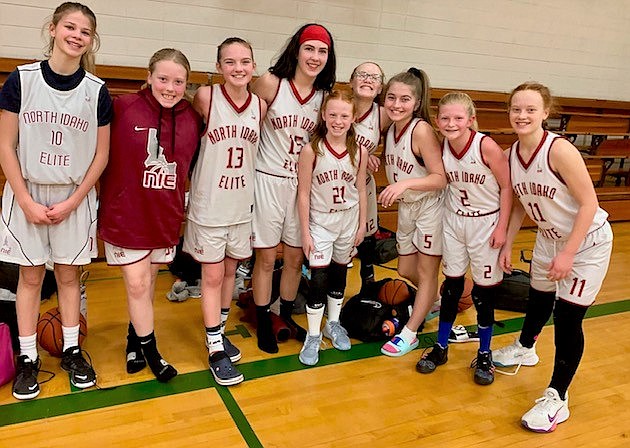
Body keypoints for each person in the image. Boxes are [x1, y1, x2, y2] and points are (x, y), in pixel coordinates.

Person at [0, 2, 111, 399]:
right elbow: (5, 145)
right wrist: (26, 200)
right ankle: (28, 358)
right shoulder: (21, 79)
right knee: (30, 278)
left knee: (67, 276)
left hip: (73, 196)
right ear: (52, 29)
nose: (76, 35)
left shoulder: (96, 91)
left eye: (85, 31)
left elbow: (101, 156)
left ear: (91, 40)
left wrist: (74, 201)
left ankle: (71, 350)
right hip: (26, 192)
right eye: (70, 26)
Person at [496, 82, 612, 432]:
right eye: (516, 109)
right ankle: (525, 347)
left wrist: (569, 253)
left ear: (546, 112)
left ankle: (557, 397)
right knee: (538, 299)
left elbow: (590, 204)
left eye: (531, 109)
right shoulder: (510, 154)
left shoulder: (559, 151)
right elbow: (517, 202)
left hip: (586, 242)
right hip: (549, 238)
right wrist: (506, 243)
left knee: (567, 317)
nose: (522, 115)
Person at [98, 48, 202, 383]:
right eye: (163, 79)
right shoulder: (122, 107)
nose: (170, 87)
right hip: (126, 213)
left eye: (178, 81)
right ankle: (152, 351)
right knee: (138, 282)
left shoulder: (192, 117)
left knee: (150, 282)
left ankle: (134, 340)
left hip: (164, 214)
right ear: (148, 76)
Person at [183, 38, 265, 386]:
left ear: (253, 66)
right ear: (219, 67)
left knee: (232, 273)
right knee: (213, 277)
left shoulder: (260, 105)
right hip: (210, 204)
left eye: (245, 61)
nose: (238, 68)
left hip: (241, 205)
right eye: (229, 62)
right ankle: (215, 348)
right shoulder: (207, 97)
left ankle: (218, 330)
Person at [251, 23, 336, 353]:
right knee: (267, 259)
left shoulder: (325, 97)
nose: (315, 57)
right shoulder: (271, 83)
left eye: (322, 51)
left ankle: (283, 314)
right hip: (268, 179)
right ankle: (262, 320)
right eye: (309, 48)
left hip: (303, 186)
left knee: (295, 257)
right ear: (296, 50)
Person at [415, 92, 511, 385]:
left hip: (485, 222)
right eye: (445, 118)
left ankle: (484, 353)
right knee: (452, 288)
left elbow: (507, 188)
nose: (451, 123)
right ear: (437, 120)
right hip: (455, 222)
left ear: (471, 120)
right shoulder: (441, 146)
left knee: (483, 293)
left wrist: (502, 228)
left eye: (458, 118)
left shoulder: (486, 146)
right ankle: (441, 346)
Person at [378, 68, 447, 358]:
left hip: (431, 206)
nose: (396, 104)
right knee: (405, 270)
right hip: (409, 207)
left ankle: (410, 332)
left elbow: (440, 177)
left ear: (416, 103)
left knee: (426, 271)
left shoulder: (420, 130)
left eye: (404, 99)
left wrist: (404, 183)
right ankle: (443, 300)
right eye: (391, 97)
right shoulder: (391, 126)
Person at [296, 89, 368, 365]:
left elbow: (360, 189)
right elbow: (303, 193)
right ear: (324, 116)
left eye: (344, 116)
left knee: (340, 273)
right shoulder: (311, 150)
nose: (338, 121)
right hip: (320, 221)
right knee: (319, 277)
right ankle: (313, 334)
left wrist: (361, 224)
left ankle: (333, 323)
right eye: (333, 114)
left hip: (347, 219)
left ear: (353, 118)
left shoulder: (359, 150)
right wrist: (305, 232)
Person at [349, 62, 391, 292]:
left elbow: (403, 140)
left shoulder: (382, 115)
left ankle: (368, 283)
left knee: (366, 236)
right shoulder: (336, 105)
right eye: (362, 75)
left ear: (380, 87)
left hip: (363, 184)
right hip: (332, 184)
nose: (368, 79)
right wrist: (363, 155)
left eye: (374, 77)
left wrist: (376, 155)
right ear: (351, 81)